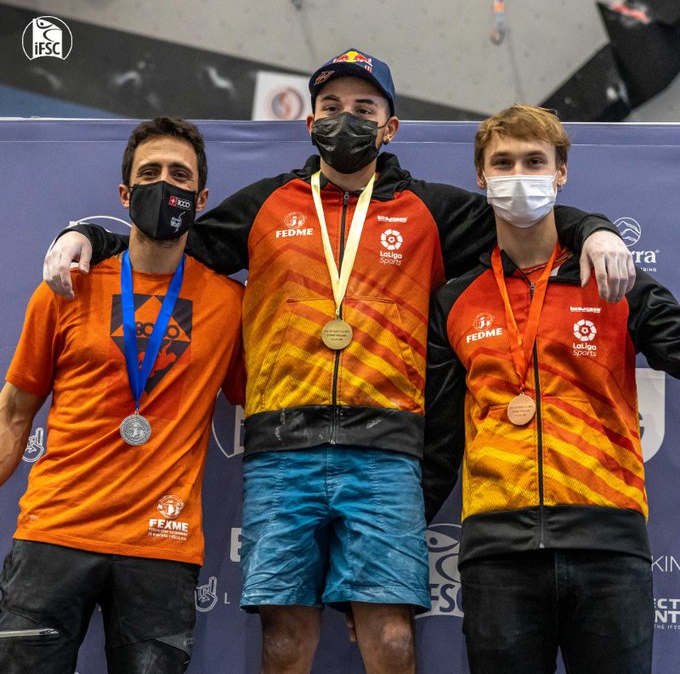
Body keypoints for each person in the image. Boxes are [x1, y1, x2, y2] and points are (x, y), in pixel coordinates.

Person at [42, 51, 634, 674]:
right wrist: (87, 234)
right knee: (284, 642)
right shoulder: (266, 203)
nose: (344, 119)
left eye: (363, 108)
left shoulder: (431, 210)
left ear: (390, 126)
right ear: (309, 122)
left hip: (385, 457)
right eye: (330, 108)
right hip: (280, 456)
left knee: (392, 640)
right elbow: (169, 236)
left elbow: (524, 222)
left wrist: (593, 229)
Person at [423, 104, 680, 673]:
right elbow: (438, 440)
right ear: (481, 177)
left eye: (535, 161)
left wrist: (599, 231)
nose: (519, 175)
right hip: (497, 555)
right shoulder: (455, 300)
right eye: (503, 162)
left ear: (561, 173)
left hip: (608, 546)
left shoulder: (615, 281)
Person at [0, 117, 245, 674]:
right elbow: (14, 412)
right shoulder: (66, 287)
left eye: (179, 175)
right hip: (56, 531)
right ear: (125, 193)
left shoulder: (231, 306)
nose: (165, 184)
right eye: (150, 172)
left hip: (162, 544)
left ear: (200, 198)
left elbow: (257, 403)